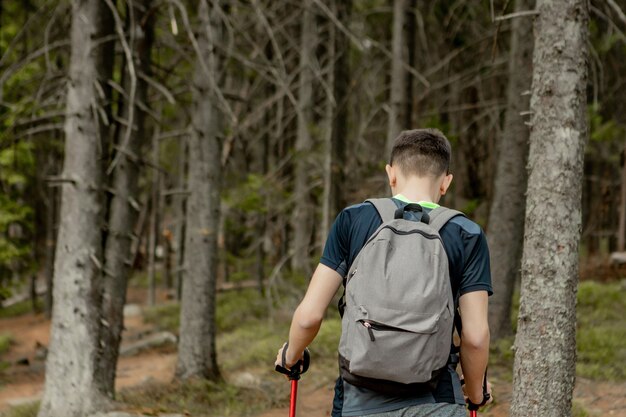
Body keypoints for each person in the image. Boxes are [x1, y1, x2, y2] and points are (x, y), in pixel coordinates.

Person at [274, 129, 493, 417]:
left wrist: (290, 357)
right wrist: (476, 394)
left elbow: (309, 316)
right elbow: (475, 337)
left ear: (391, 174)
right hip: (435, 397)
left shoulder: (353, 220)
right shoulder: (466, 234)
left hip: (357, 400)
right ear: (445, 183)